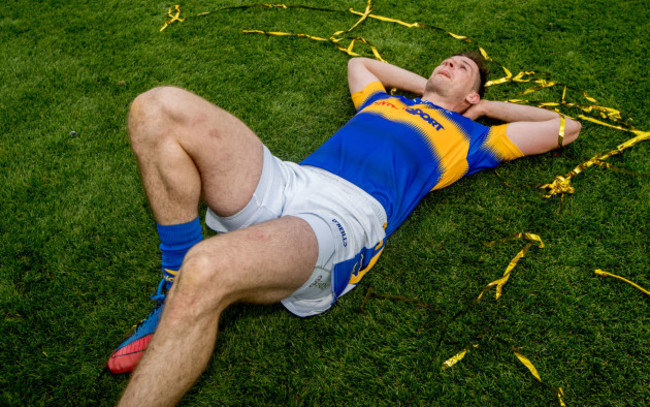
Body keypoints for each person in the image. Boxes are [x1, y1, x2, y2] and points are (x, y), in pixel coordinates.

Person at [108, 52, 581, 406]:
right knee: (157, 106)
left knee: (207, 266)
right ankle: (171, 284)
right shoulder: (382, 101)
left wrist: (482, 107)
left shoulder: (476, 140)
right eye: (449, 60)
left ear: (474, 95)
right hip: (292, 180)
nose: (450, 62)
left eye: (462, 69)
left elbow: (566, 127)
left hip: (343, 218)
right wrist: (435, 90)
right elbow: (359, 62)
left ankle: (185, 284)